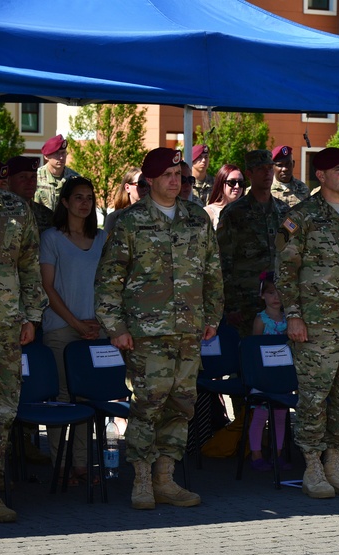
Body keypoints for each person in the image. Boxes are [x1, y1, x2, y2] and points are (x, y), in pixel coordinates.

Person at [95, 147, 224, 510]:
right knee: (146, 405)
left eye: (179, 174)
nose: (175, 180)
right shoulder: (130, 222)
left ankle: (165, 477)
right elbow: (109, 280)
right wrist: (115, 326)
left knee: (181, 405)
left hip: (189, 330)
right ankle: (140, 479)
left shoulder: (197, 219)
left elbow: (213, 272)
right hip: (145, 334)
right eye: (167, 175)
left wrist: (213, 317)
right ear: (149, 180)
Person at [275, 146, 339, 499]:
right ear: (320, 175)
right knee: (314, 397)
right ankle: (312, 467)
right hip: (315, 325)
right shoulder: (300, 217)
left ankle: (335, 463)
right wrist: (293, 315)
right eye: (338, 168)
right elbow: (285, 271)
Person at [39, 176, 107, 483]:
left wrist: (96, 324)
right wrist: (77, 323)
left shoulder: (103, 239)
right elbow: (47, 288)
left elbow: (109, 285)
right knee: (62, 397)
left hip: (96, 330)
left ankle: (82, 465)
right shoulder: (51, 239)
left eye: (89, 198)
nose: (85, 203)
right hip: (62, 329)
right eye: (78, 197)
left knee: (86, 398)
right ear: (65, 202)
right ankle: (61, 466)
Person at [0, 178, 46, 523]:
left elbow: (30, 265)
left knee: (3, 413)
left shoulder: (16, 208)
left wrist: (31, 315)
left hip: (7, 328)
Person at [217, 150, 289, 338]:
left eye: (269, 168)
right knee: (249, 358)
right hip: (246, 301)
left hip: (279, 300)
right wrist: (231, 305)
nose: (267, 174)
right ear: (249, 173)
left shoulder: (284, 211)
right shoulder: (234, 213)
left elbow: (293, 253)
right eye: (260, 169)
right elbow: (223, 261)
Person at [247, 272, 291, 470]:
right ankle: (256, 455)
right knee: (260, 415)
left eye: (279, 293)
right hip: (263, 377)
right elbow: (254, 351)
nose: (276, 297)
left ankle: (277, 454)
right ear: (262, 295)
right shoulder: (261, 320)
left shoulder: (289, 319)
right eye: (271, 293)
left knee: (280, 415)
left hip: (282, 376)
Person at [6, 156, 54, 235]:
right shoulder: (2, 211)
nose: (30, 182)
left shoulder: (47, 215)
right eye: (23, 177)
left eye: (33, 177)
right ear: (9, 180)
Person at [34, 134, 81, 212]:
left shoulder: (75, 178)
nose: (61, 157)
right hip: (42, 223)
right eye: (56, 154)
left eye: (63, 153)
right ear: (46, 156)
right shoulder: (36, 177)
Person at [104, 167, 149, 234]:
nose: (146, 188)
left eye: (149, 184)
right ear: (127, 187)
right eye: (141, 184)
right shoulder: (115, 218)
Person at [203, 164, 244, 228]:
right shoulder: (208, 212)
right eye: (232, 182)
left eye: (241, 182)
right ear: (221, 183)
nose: (237, 186)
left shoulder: (249, 211)